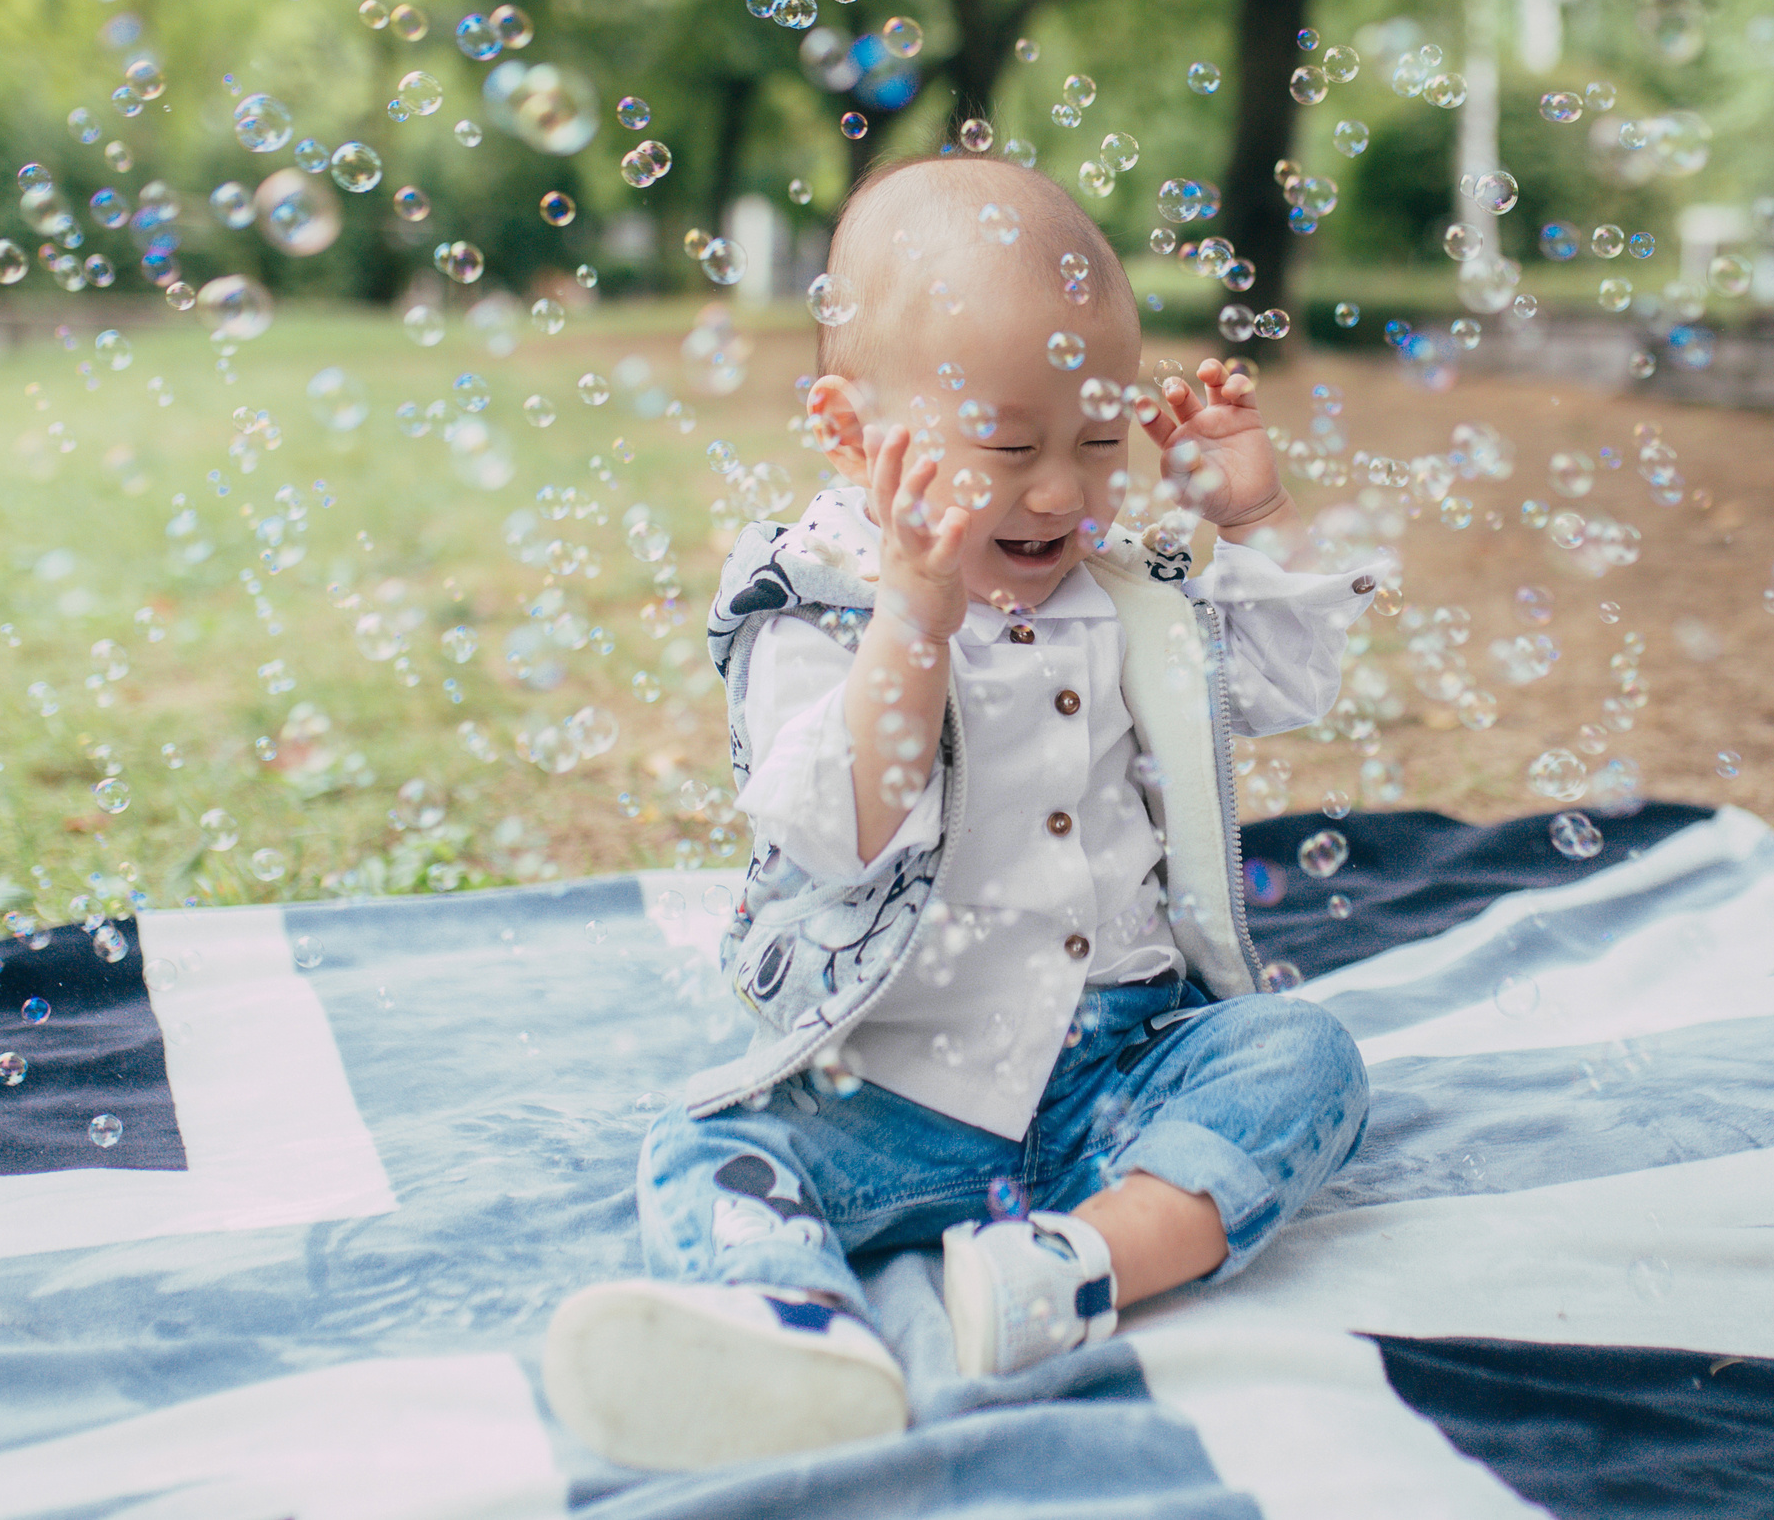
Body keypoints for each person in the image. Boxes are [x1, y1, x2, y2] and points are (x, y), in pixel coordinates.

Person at [543, 153, 1380, 1471]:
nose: (1060, 491)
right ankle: (792, 1335)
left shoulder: (1128, 589)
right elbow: (834, 826)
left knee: (1305, 1058)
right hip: (901, 1080)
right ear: (846, 433)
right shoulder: (811, 601)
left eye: (1098, 443)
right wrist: (914, 626)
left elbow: (1282, 685)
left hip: (1118, 1075)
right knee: (709, 1147)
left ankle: (1069, 1269)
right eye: (1007, 447)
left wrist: (1252, 515)